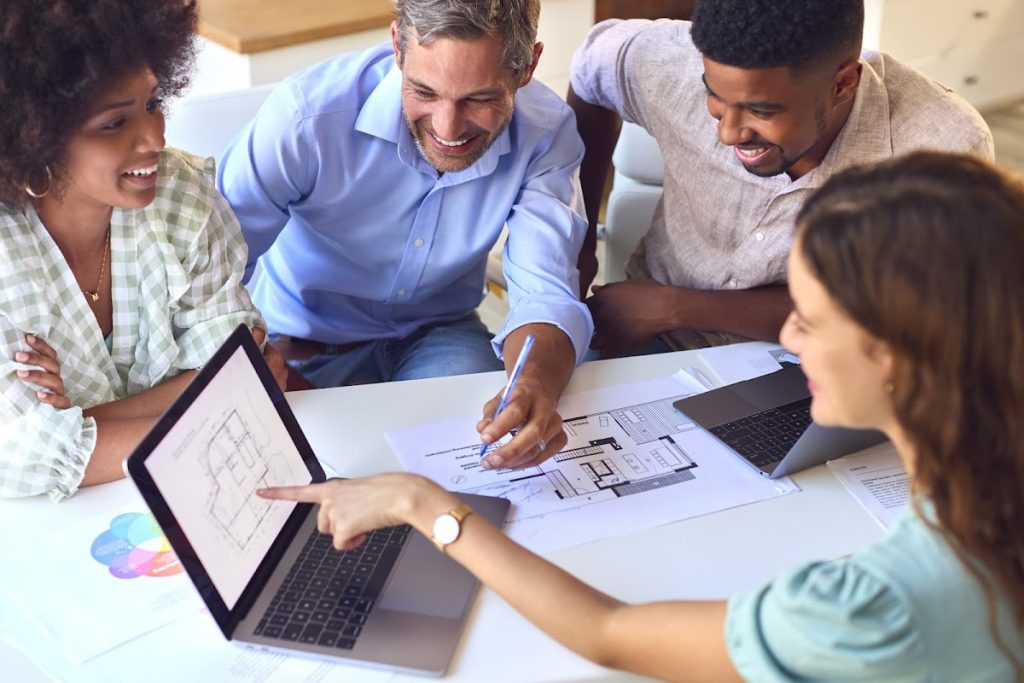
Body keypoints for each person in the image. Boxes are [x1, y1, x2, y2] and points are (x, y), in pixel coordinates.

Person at [259, 151, 1024, 680]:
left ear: (896, 355)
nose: (788, 336)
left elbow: (608, 635)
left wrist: (422, 501)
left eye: (811, 322)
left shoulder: (874, 606)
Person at [217, 0, 593, 471]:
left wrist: (536, 380)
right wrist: (262, 361)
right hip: (298, 346)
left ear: (528, 67)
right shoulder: (305, 118)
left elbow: (546, 290)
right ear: (397, 46)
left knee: (471, 473)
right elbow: (215, 275)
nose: (447, 128)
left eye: (479, 99)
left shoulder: (547, 132)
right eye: (424, 91)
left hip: (438, 338)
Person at [568, 0, 994, 358]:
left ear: (843, 83)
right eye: (714, 96)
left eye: (762, 111)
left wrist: (675, 307)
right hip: (644, 342)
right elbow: (590, 71)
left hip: (820, 368)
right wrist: (579, 243)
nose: (728, 132)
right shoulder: (664, 60)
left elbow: (898, 322)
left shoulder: (940, 149)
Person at [0, 0, 283, 501]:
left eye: (153, 103)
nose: (154, 138)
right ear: (35, 137)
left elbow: (242, 371)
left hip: (192, 496)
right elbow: (17, 457)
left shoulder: (182, 195)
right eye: (114, 124)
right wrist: (200, 402)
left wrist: (80, 421)